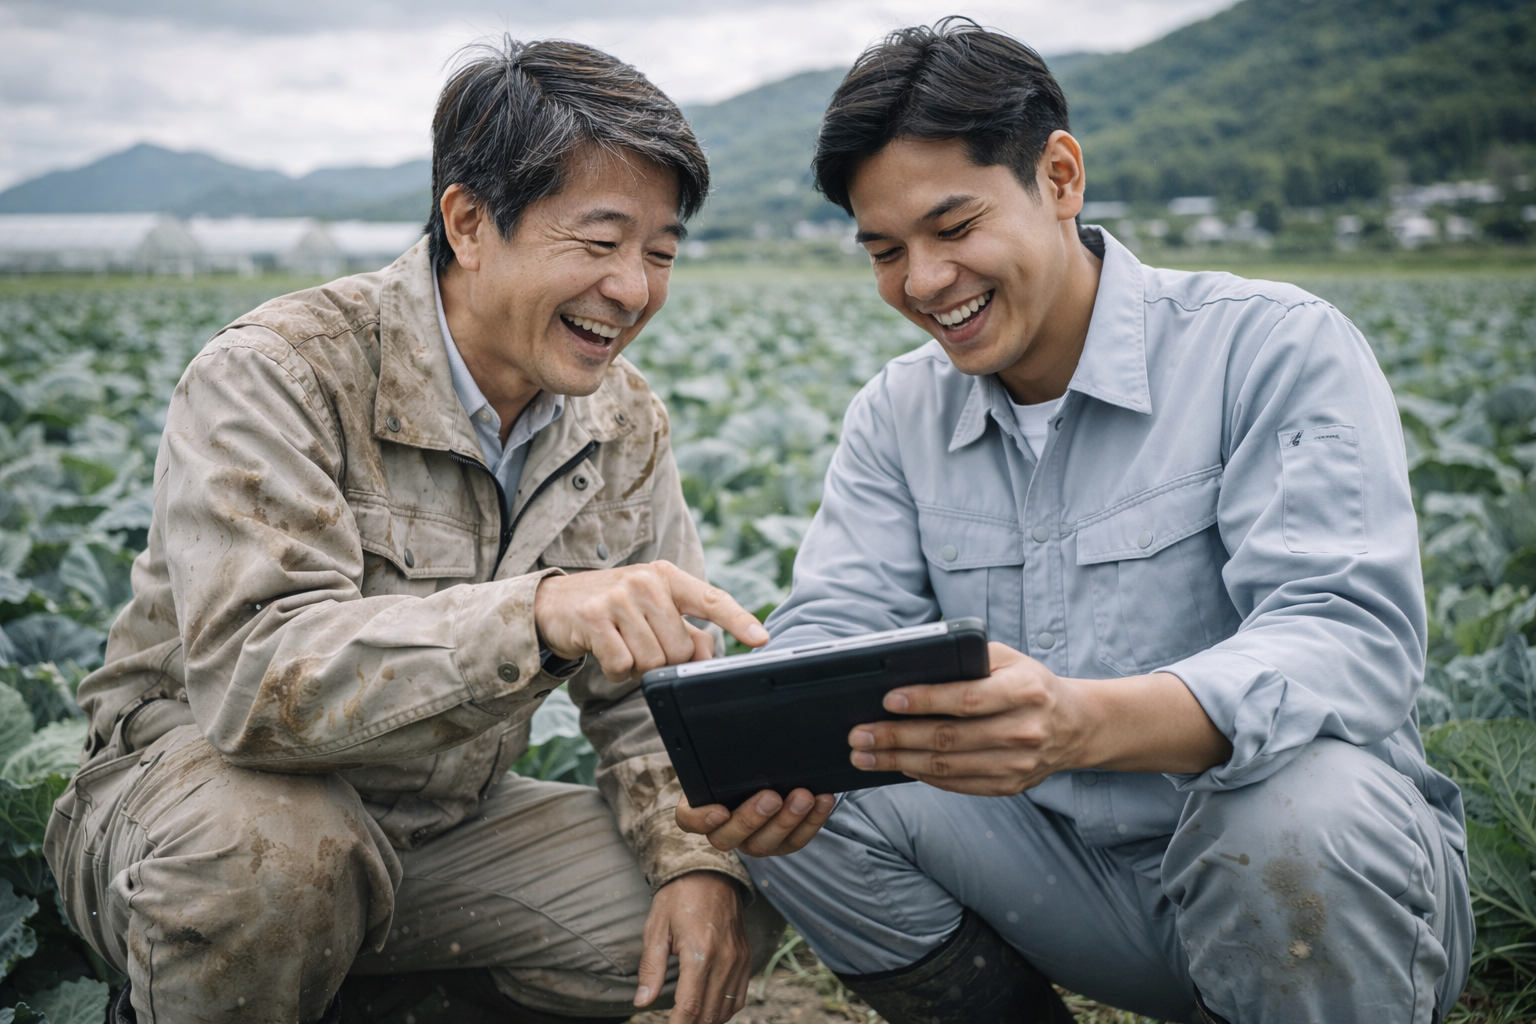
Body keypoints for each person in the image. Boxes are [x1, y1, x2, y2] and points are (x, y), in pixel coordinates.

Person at [677, 18, 1473, 1024]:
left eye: (954, 229)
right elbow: (834, 623)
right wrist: (767, 759)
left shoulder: (1274, 348)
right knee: (826, 804)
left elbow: (1345, 642)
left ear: (1059, 177)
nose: (922, 283)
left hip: (1324, 890)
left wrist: (1082, 724)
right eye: (885, 250)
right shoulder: (897, 412)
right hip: (1086, 894)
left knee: (1289, 810)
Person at [44, 38, 782, 1024]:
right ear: (469, 223)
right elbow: (258, 679)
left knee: (711, 905)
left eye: (659, 252)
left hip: (443, 827)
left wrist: (700, 861)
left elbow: (654, 698)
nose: (634, 290)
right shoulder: (281, 373)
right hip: (201, 808)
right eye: (601, 243)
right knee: (278, 857)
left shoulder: (622, 420)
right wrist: (537, 613)